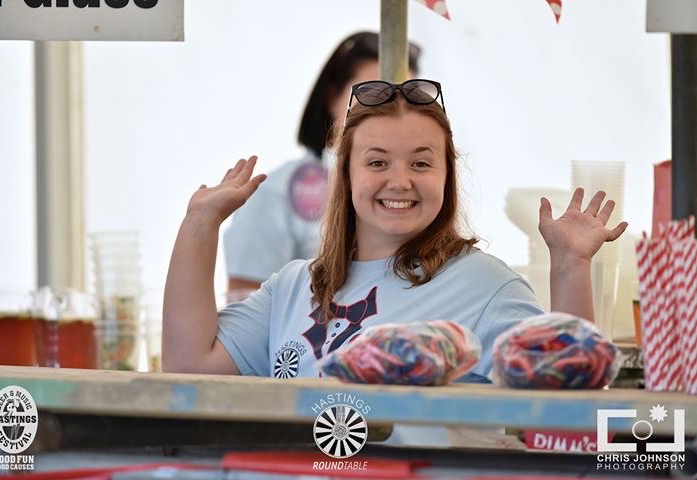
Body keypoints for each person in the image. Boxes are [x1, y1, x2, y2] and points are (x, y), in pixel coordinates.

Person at [162, 79, 627, 383]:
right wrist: (199, 225)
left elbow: (569, 382)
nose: (400, 181)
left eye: (421, 163)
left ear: (446, 176)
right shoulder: (292, 287)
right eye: (377, 162)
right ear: (346, 175)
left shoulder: (487, 285)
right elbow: (189, 367)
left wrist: (571, 265)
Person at [222, 32, 422, 298]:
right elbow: (243, 308)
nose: (391, 112)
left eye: (407, 98)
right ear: (331, 96)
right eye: (372, 94)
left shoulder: (417, 193)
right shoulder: (275, 193)